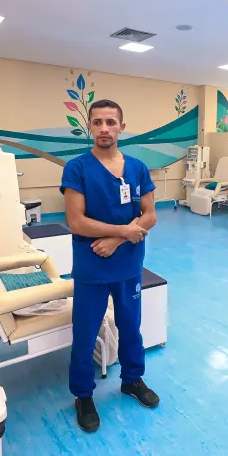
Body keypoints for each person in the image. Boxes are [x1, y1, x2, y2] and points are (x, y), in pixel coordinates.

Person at [60, 99, 160, 433]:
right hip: (92, 264)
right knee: (85, 332)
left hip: (128, 262)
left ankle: (132, 380)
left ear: (122, 127)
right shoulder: (77, 168)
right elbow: (76, 222)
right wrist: (123, 231)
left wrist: (118, 239)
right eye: (98, 122)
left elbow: (150, 215)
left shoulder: (137, 168)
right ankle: (83, 395)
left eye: (111, 122)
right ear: (89, 126)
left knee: (131, 326)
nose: (104, 128)